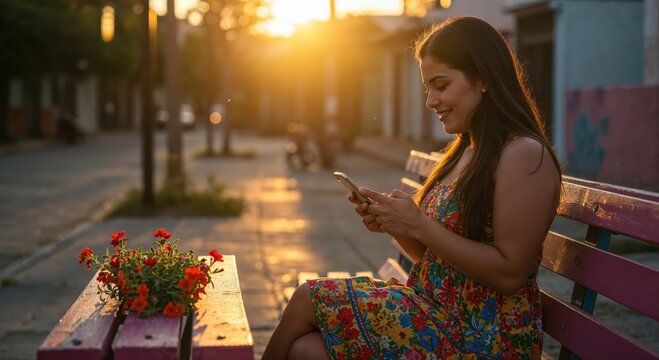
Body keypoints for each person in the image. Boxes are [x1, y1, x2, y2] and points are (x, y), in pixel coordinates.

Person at [263, 16, 562, 359]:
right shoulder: (467, 150)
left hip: (482, 336)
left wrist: (418, 223)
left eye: (441, 85)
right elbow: (443, 264)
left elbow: (509, 273)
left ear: (482, 79)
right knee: (305, 351)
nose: (431, 101)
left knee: (307, 297)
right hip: (440, 316)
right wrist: (398, 225)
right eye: (427, 88)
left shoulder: (522, 155)